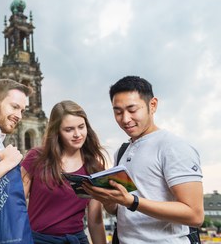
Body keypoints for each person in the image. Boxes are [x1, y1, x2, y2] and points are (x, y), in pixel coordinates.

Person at [83, 75, 204, 243]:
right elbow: (122, 210)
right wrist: (109, 201)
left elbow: (195, 215)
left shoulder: (174, 147)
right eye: (118, 112)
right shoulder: (122, 151)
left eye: (132, 110)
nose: (125, 119)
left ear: (152, 105)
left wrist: (132, 201)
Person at [21, 100, 108, 244]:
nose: (77, 134)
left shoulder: (94, 167)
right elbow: (17, 202)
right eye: (69, 129)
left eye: (81, 127)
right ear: (57, 132)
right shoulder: (36, 157)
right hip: (38, 240)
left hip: (77, 240)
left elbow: (95, 221)